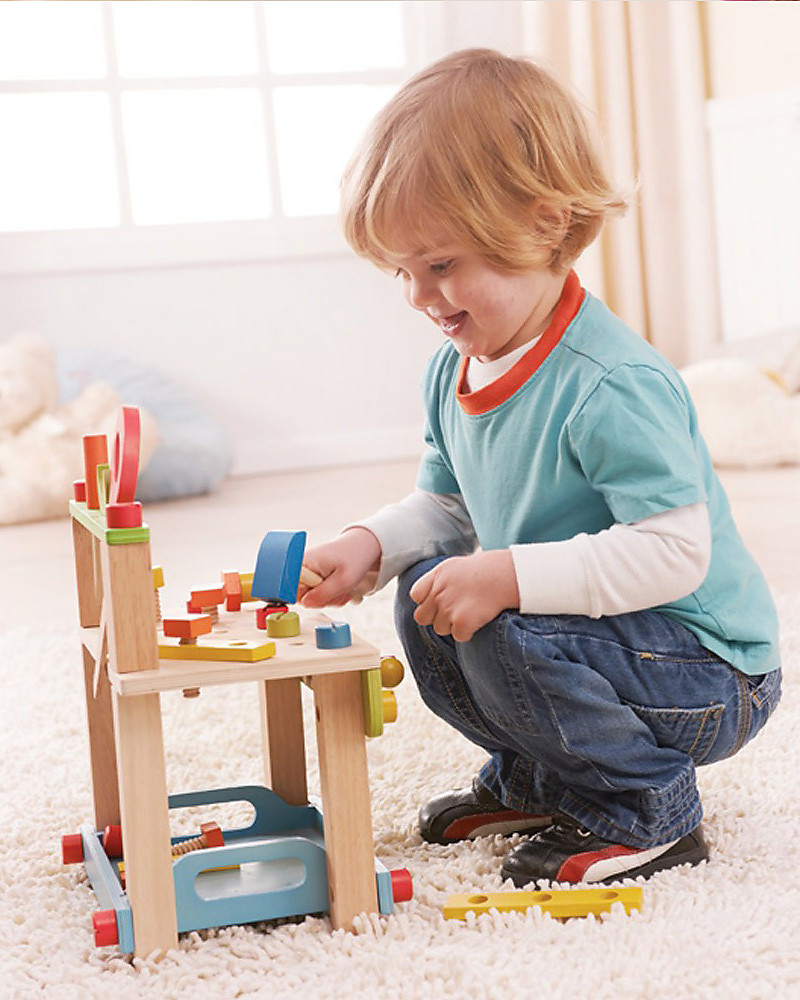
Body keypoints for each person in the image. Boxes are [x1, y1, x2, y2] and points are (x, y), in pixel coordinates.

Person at [297, 49, 781, 886]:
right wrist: (370, 545)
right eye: (402, 272)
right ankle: (541, 776)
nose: (420, 296)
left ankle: (644, 805)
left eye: (442, 265)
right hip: (599, 642)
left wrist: (511, 576)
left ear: (547, 222)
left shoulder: (611, 385)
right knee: (433, 597)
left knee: (497, 617)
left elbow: (673, 552)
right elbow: (448, 508)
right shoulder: (454, 371)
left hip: (708, 669)